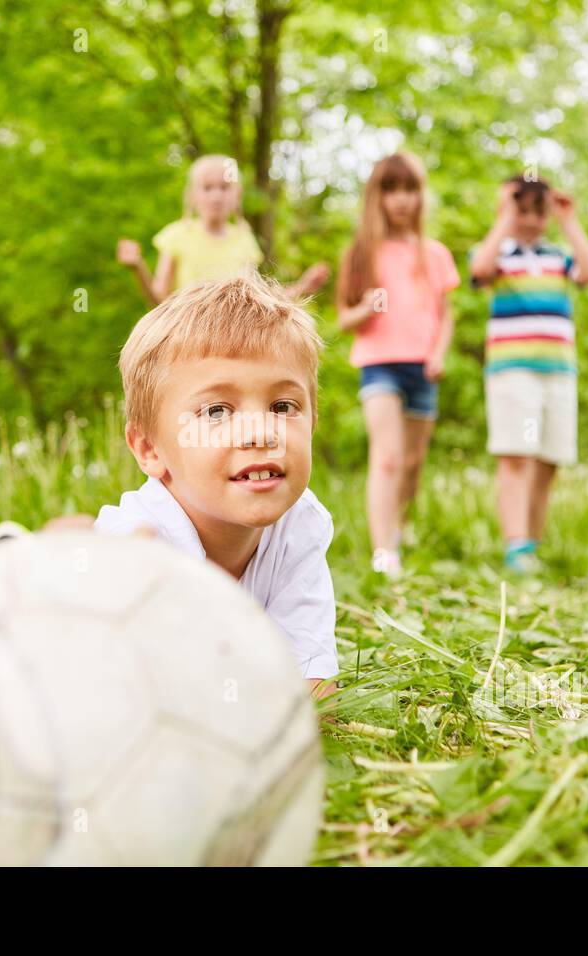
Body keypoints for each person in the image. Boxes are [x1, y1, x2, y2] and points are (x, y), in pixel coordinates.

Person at [95, 273, 338, 696]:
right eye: (216, 411)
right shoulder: (136, 545)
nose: (260, 432)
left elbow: (311, 684)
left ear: (313, 423)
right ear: (150, 448)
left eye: (283, 406)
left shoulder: (300, 527)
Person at [469, 174, 588, 573]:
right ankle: (516, 548)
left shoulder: (558, 257)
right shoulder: (498, 253)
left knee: (549, 458)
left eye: (536, 212)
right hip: (513, 371)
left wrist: (569, 221)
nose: (529, 220)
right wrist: (505, 215)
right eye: (521, 210)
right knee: (517, 455)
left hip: (558, 373)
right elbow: (480, 268)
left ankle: (531, 542)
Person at [336, 152, 460, 576]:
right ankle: (383, 552)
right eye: (392, 191)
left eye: (409, 190)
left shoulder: (435, 254)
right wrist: (365, 309)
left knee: (411, 464)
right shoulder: (362, 252)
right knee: (386, 457)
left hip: (423, 368)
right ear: (378, 197)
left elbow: (445, 314)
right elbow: (343, 318)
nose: (402, 200)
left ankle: (401, 524)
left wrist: (439, 353)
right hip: (379, 365)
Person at [116, 154, 329, 306]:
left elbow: (258, 299)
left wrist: (302, 287)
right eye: (208, 188)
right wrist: (138, 267)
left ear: (237, 195)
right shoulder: (177, 235)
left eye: (224, 188)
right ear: (192, 196)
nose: (216, 196)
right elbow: (159, 300)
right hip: (188, 343)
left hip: (235, 343)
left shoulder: (244, 239)